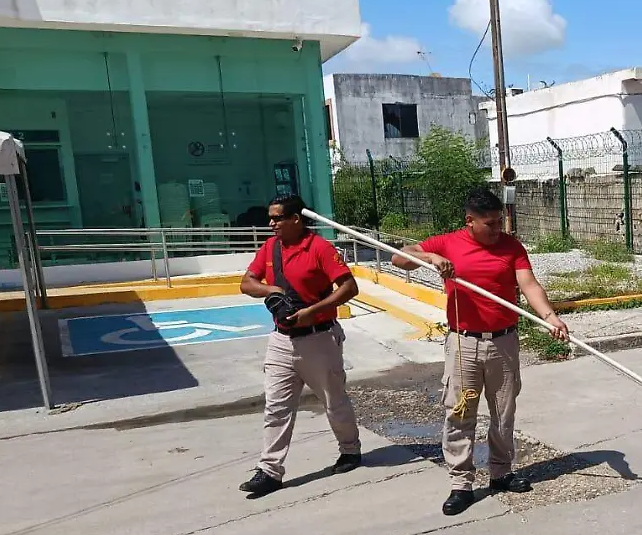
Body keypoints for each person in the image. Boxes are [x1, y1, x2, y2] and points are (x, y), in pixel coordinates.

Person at [393, 187, 570, 516]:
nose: (497, 229)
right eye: (489, 223)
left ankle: (501, 473)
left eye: (499, 221)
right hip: (464, 343)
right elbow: (400, 257)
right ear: (470, 221)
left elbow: (528, 284)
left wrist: (549, 317)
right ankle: (461, 483)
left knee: (503, 412)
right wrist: (431, 258)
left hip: (504, 342)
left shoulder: (511, 247)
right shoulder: (448, 243)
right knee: (460, 413)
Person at [237, 195, 363, 496]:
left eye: (277, 218)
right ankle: (270, 470)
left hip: (319, 339)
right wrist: (271, 290)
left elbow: (349, 287)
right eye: (270, 218)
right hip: (281, 340)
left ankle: (350, 450)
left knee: (334, 401)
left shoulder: (319, 248)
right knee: (276, 407)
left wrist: (312, 311)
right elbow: (246, 282)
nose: (271, 223)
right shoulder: (270, 248)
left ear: (295, 219)